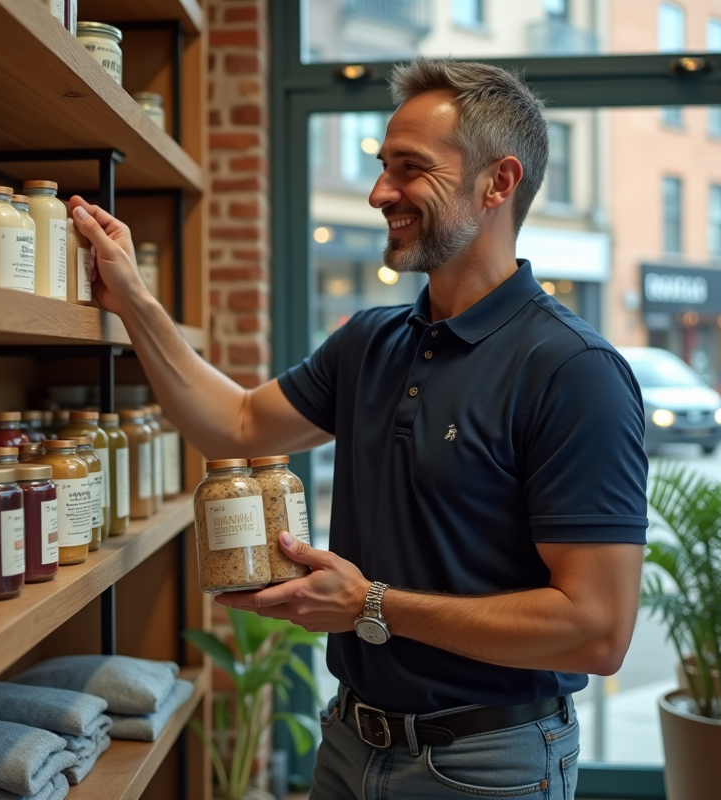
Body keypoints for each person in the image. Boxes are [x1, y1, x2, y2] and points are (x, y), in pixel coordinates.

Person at [67, 58, 647, 799]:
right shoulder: (371, 342)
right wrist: (136, 304)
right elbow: (236, 424)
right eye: (382, 167)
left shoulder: (572, 369)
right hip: (349, 742)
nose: (379, 194)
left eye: (410, 169)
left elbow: (597, 630)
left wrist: (370, 605)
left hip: (487, 763)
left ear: (498, 183)